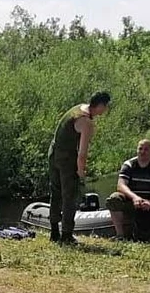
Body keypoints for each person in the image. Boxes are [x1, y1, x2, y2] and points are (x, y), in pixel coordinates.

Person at [47, 91, 111, 244]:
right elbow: (82, 153)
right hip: (67, 159)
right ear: (100, 105)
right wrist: (81, 172)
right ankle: (66, 235)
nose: (106, 110)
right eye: (106, 106)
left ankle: (54, 231)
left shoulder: (77, 108)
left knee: (55, 192)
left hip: (53, 153)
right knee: (70, 196)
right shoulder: (86, 123)